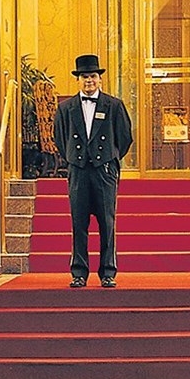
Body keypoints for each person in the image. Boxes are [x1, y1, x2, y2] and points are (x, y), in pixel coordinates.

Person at [52, 53, 134, 288]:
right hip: (78, 171)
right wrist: (72, 159)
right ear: (78, 80)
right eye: (85, 77)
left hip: (104, 170)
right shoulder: (66, 108)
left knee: (107, 223)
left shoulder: (114, 105)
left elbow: (125, 138)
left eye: (93, 76)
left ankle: (108, 272)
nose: (89, 80)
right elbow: (59, 137)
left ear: (100, 79)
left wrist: (112, 159)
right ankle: (79, 272)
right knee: (79, 223)